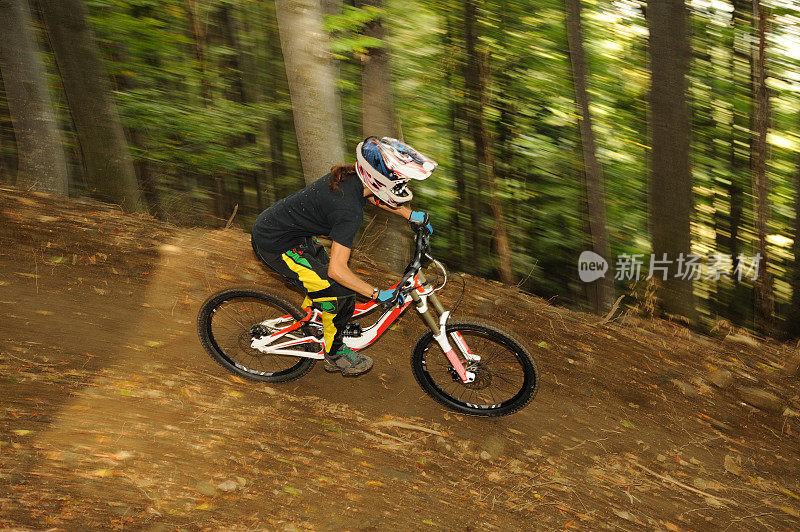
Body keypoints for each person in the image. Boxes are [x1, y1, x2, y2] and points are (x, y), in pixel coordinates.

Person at [251, 136, 436, 377]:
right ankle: (335, 353)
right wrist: (377, 294)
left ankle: (316, 318)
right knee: (340, 294)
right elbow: (337, 270)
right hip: (275, 245)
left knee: (330, 285)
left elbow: (377, 196)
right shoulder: (348, 212)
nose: (402, 185)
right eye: (399, 180)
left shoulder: (354, 177)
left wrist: (410, 215)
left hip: (292, 234)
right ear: (378, 179)